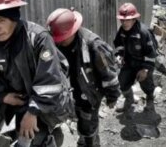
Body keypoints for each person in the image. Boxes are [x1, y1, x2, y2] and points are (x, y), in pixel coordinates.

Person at [0, 0, 72, 147]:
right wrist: (3, 96)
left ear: (14, 18)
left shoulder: (37, 38)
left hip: (46, 104)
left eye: (0, 20)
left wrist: (32, 112)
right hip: (17, 104)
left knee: (29, 140)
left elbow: (50, 82)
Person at [46, 8, 120, 147]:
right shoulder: (59, 43)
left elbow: (109, 75)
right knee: (81, 119)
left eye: (61, 39)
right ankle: (84, 139)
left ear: (72, 31)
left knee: (88, 123)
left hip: (90, 93)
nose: (58, 42)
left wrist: (112, 96)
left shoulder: (94, 46)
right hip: (74, 90)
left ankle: (90, 142)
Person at [113, 3, 157, 113]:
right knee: (122, 83)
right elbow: (118, 45)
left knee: (146, 83)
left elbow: (151, 53)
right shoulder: (122, 30)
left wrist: (145, 69)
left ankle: (150, 101)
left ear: (134, 19)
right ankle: (129, 101)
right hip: (129, 62)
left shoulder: (143, 32)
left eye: (127, 20)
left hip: (143, 63)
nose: (124, 22)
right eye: (122, 20)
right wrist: (119, 55)